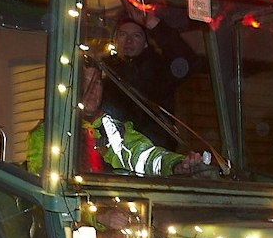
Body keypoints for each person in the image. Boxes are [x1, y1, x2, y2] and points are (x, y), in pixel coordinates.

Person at [27, 61, 209, 178]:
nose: (91, 90)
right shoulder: (47, 134)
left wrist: (177, 164)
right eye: (84, 81)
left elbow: (144, 156)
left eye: (97, 83)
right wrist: (98, 216)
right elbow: (48, 189)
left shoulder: (113, 129)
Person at [103, 11, 200, 149]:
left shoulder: (159, 70)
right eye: (123, 34)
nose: (129, 40)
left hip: (155, 153)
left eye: (136, 35)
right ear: (115, 40)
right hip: (112, 154)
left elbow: (187, 61)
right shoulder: (103, 72)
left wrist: (153, 24)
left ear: (145, 44)